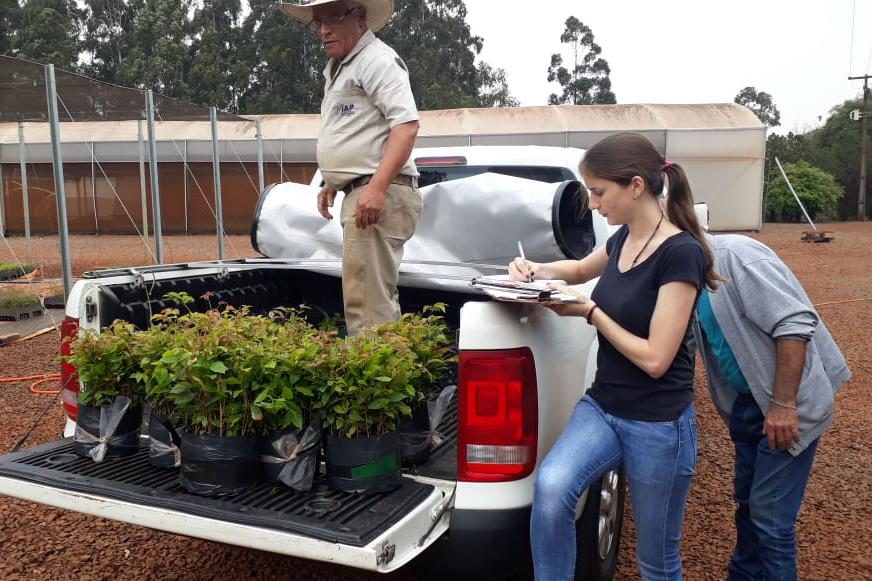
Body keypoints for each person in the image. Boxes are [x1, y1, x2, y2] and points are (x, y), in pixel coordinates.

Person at [509, 132, 719, 580]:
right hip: (603, 407)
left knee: (656, 562)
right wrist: (535, 270)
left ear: (637, 186)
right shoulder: (624, 238)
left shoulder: (681, 254)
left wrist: (589, 312)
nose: (592, 204)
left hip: (659, 425)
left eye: (599, 192)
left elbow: (656, 359)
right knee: (551, 490)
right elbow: (583, 268)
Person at [692, 233, 851, 581]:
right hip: (747, 406)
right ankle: (743, 575)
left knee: (770, 517)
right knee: (749, 504)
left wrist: (782, 405)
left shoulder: (735, 256)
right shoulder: (685, 272)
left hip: (785, 405)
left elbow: (794, 323)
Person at [280, 0, 422, 336]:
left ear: (360, 17)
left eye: (332, 18)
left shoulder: (376, 60)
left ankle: (378, 383)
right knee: (368, 299)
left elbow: (406, 126)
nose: (323, 30)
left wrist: (375, 188)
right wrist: (336, 180)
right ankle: (384, 374)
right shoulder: (342, 67)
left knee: (368, 307)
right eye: (316, 22)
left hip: (377, 194)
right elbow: (359, 132)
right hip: (362, 190)